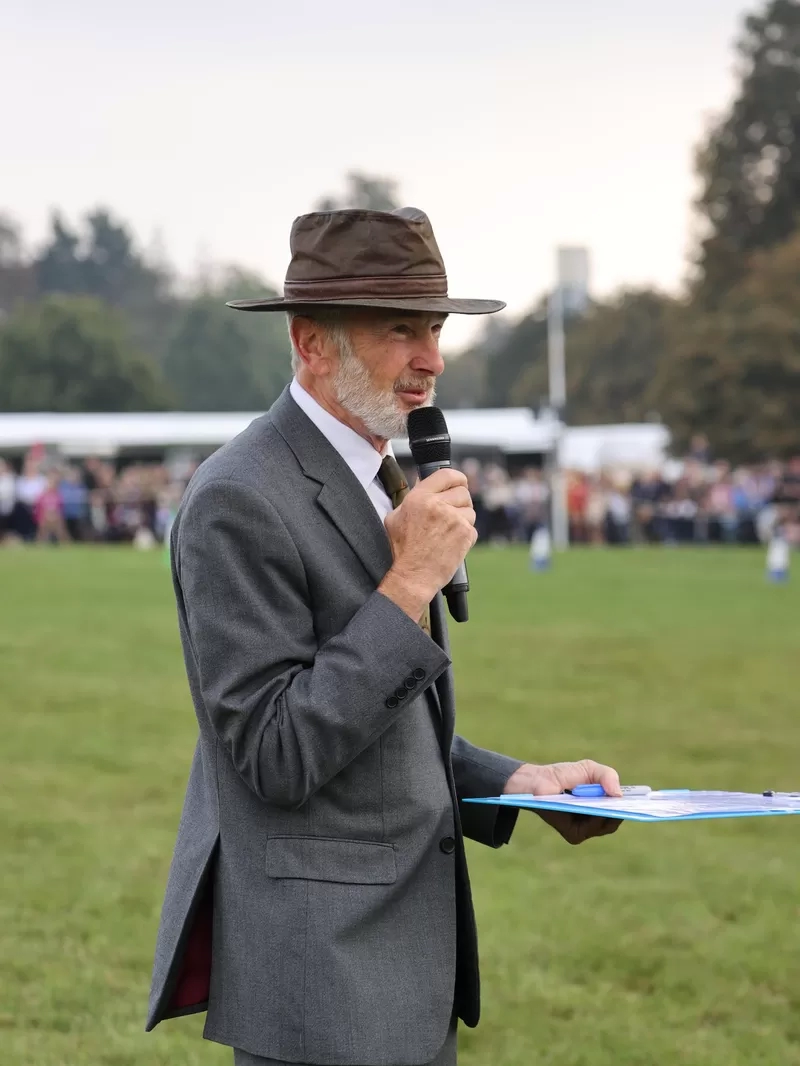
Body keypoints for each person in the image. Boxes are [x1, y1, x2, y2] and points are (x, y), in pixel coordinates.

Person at [145, 207, 622, 1066]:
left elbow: (385, 725)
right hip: (322, 979)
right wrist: (407, 585)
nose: (432, 359)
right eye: (400, 329)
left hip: (401, 964)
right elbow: (276, 752)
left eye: (435, 328)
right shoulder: (237, 497)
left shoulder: (380, 467)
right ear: (312, 342)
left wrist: (518, 782)